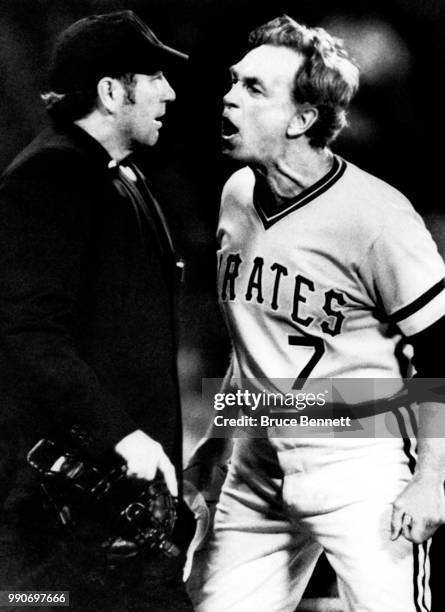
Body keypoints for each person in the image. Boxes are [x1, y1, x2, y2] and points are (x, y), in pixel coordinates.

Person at [187, 15, 445, 612]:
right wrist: (217, 439)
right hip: (258, 456)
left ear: (303, 118)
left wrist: (431, 476)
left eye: (254, 88)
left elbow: (444, 352)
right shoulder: (236, 195)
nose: (229, 96)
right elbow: (258, 333)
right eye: (234, 81)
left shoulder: (376, 216)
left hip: (359, 457)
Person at [0, 10, 194, 612]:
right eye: (154, 75)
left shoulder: (124, 174)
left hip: (125, 509)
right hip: (68, 514)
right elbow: (28, 333)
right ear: (111, 92)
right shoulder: (51, 174)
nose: (170, 91)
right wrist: (122, 437)